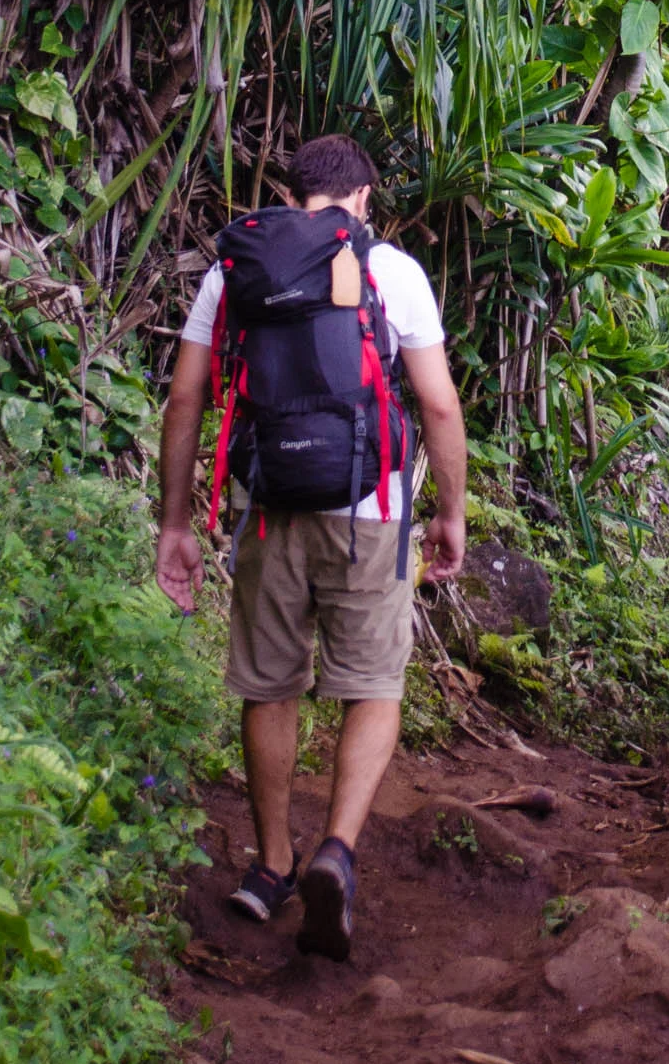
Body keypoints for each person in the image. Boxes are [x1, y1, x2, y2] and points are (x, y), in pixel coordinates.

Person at [154, 134, 467, 960]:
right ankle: (337, 848)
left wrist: (176, 522)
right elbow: (436, 406)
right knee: (371, 683)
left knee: (270, 683)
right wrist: (451, 514)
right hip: (371, 508)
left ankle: (270, 865)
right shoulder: (390, 271)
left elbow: (186, 397)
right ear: (363, 197)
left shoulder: (235, 270)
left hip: (266, 506)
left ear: (292, 196)